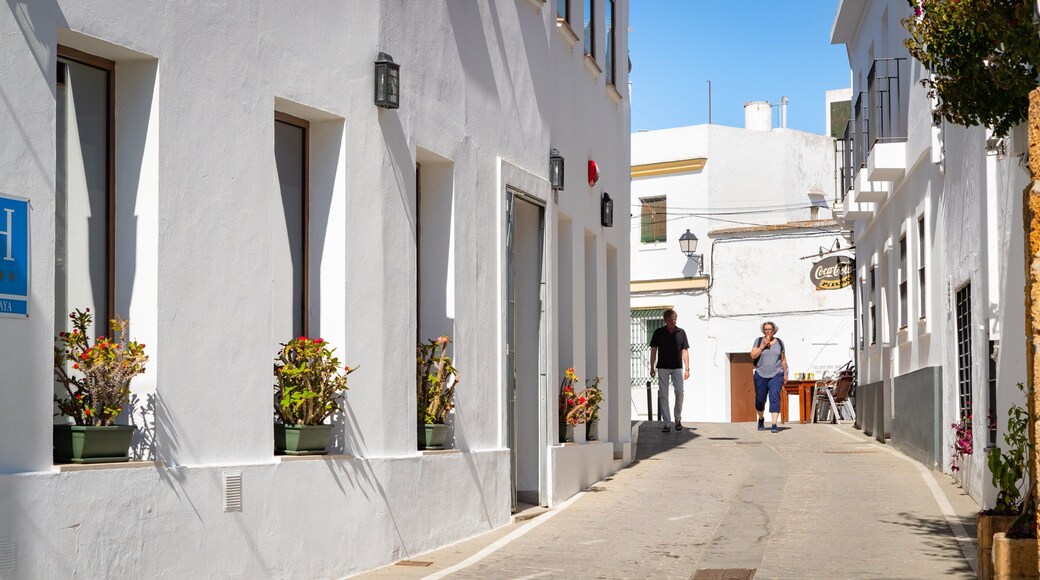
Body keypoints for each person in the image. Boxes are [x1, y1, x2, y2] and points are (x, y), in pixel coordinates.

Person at [649, 309, 690, 433]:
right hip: (663, 367)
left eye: (674, 319)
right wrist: (652, 367)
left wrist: (687, 368)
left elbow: (685, 350)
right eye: (670, 320)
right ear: (665, 320)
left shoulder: (681, 332)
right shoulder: (658, 332)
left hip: (677, 367)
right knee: (664, 395)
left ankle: (677, 418)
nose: (673, 322)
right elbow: (653, 350)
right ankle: (667, 422)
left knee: (679, 392)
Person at [750, 320, 788, 433]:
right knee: (760, 400)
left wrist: (785, 373)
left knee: (774, 396)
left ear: (774, 330)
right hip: (761, 374)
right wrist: (762, 346)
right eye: (765, 329)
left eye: (770, 329)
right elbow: (753, 356)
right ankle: (761, 419)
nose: (768, 331)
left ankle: (774, 424)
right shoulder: (758, 341)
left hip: (776, 374)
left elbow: (783, 359)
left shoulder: (780, 342)